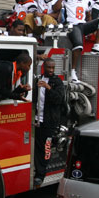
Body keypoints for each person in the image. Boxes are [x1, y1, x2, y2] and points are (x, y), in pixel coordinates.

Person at [64, 0, 99, 81]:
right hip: (73, 25)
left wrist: (91, 25)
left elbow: (88, 14)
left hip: (83, 25)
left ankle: (96, 45)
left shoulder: (86, 1)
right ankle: (72, 71)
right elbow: (56, 7)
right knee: (78, 45)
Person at [33, 57, 64, 187]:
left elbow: (59, 99)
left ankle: (40, 175)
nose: (51, 70)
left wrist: (48, 87)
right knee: (36, 147)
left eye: (53, 68)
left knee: (46, 148)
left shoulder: (57, 82)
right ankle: (35, 171)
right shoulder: (38, 79)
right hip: (37, 120)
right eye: (48, 67)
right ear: (44, 67)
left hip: (49, 122)